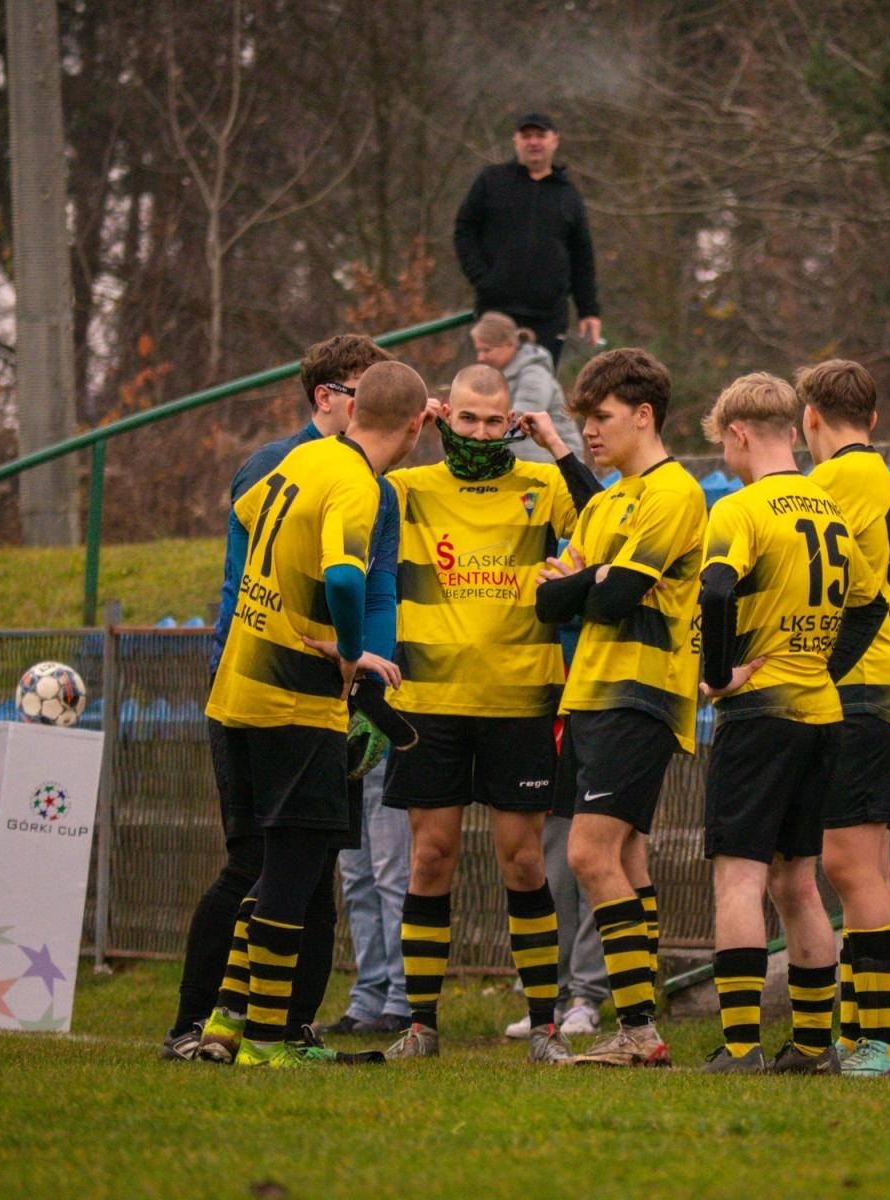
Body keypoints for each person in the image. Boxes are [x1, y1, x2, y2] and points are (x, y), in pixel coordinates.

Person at [162, 333, 403, 1062]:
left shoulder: (305, 462)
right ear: (331, 396)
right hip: (286, 694)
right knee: (271, 865)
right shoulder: (343, 476)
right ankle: (250, 1032)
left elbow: (251, 521)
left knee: (293, 866)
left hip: (253, 683)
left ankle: (235, 1025)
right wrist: (349, 647)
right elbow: (343, 578)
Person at [381, 363, 602, 1065]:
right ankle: (421, 1024)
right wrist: (414, 424)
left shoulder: (541, 486)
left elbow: (607, 523)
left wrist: (557, 445)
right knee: (429, 859)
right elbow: (348, 483)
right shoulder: (406, 491)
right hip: (427, 705)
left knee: (525, 863)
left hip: (520, 702)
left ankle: (543, 1025)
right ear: (445, 418)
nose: (479, 433)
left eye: (493, 421)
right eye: (466, 419)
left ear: (513, 422)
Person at [695, 372, 888, 1075]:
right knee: (798, 882)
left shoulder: (741, 509)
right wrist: (821, 667)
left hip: (760, 714)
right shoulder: (829, 506)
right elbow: (869, 605)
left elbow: (717, 587)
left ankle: (741, 1045)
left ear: (740, 433)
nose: (725, 457)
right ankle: (812, 1047)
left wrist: (718, 675)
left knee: (740, 879)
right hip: (822, 715)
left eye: (724, 444)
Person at [521, 348, 706, 1068]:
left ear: (643, 414)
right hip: (591, 690)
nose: (589, 432)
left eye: (599, 418)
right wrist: (588, 578)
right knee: (626, 855)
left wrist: (588, 577)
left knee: (587, 853)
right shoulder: (604, 502)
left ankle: (635, 1027)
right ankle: (641, 1027)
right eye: (582, 421)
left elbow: (611, 596)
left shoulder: (673, 493)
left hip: (642, 692)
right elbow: (547, 601)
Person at [798, 359, 890, 1078]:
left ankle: (876, 1040)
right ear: (871, 418)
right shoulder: (883, 477)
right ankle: (863, 1033)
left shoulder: (832, 483)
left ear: (810, 417)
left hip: (861, 681)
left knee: (848, 863)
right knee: (868, 860)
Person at [454, 111, 601, 369]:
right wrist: (483, 279)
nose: (533, 142)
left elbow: (582, 256)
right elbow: (464, 230)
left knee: (537, 392)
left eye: (540, 135)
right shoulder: (492, 181)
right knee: (489, 392)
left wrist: (589, 310)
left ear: (554, 140)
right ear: (515, 141)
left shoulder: (568, 195)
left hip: (548, 317)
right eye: (526, 135)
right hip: (496, 312)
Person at [316, 759, 413, 1036]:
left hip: (386, 760)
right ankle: (367, 1000)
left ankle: (401, 1001)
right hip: (344, 765)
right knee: (357, 884)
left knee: (393, 880)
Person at [471, 311, 586, 463]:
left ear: (510, 344)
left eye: (487, 350)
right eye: (478, 350)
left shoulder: (534, 373)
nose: (481, 358)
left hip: (556, 461)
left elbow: (523, 417)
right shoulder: (499, 375)